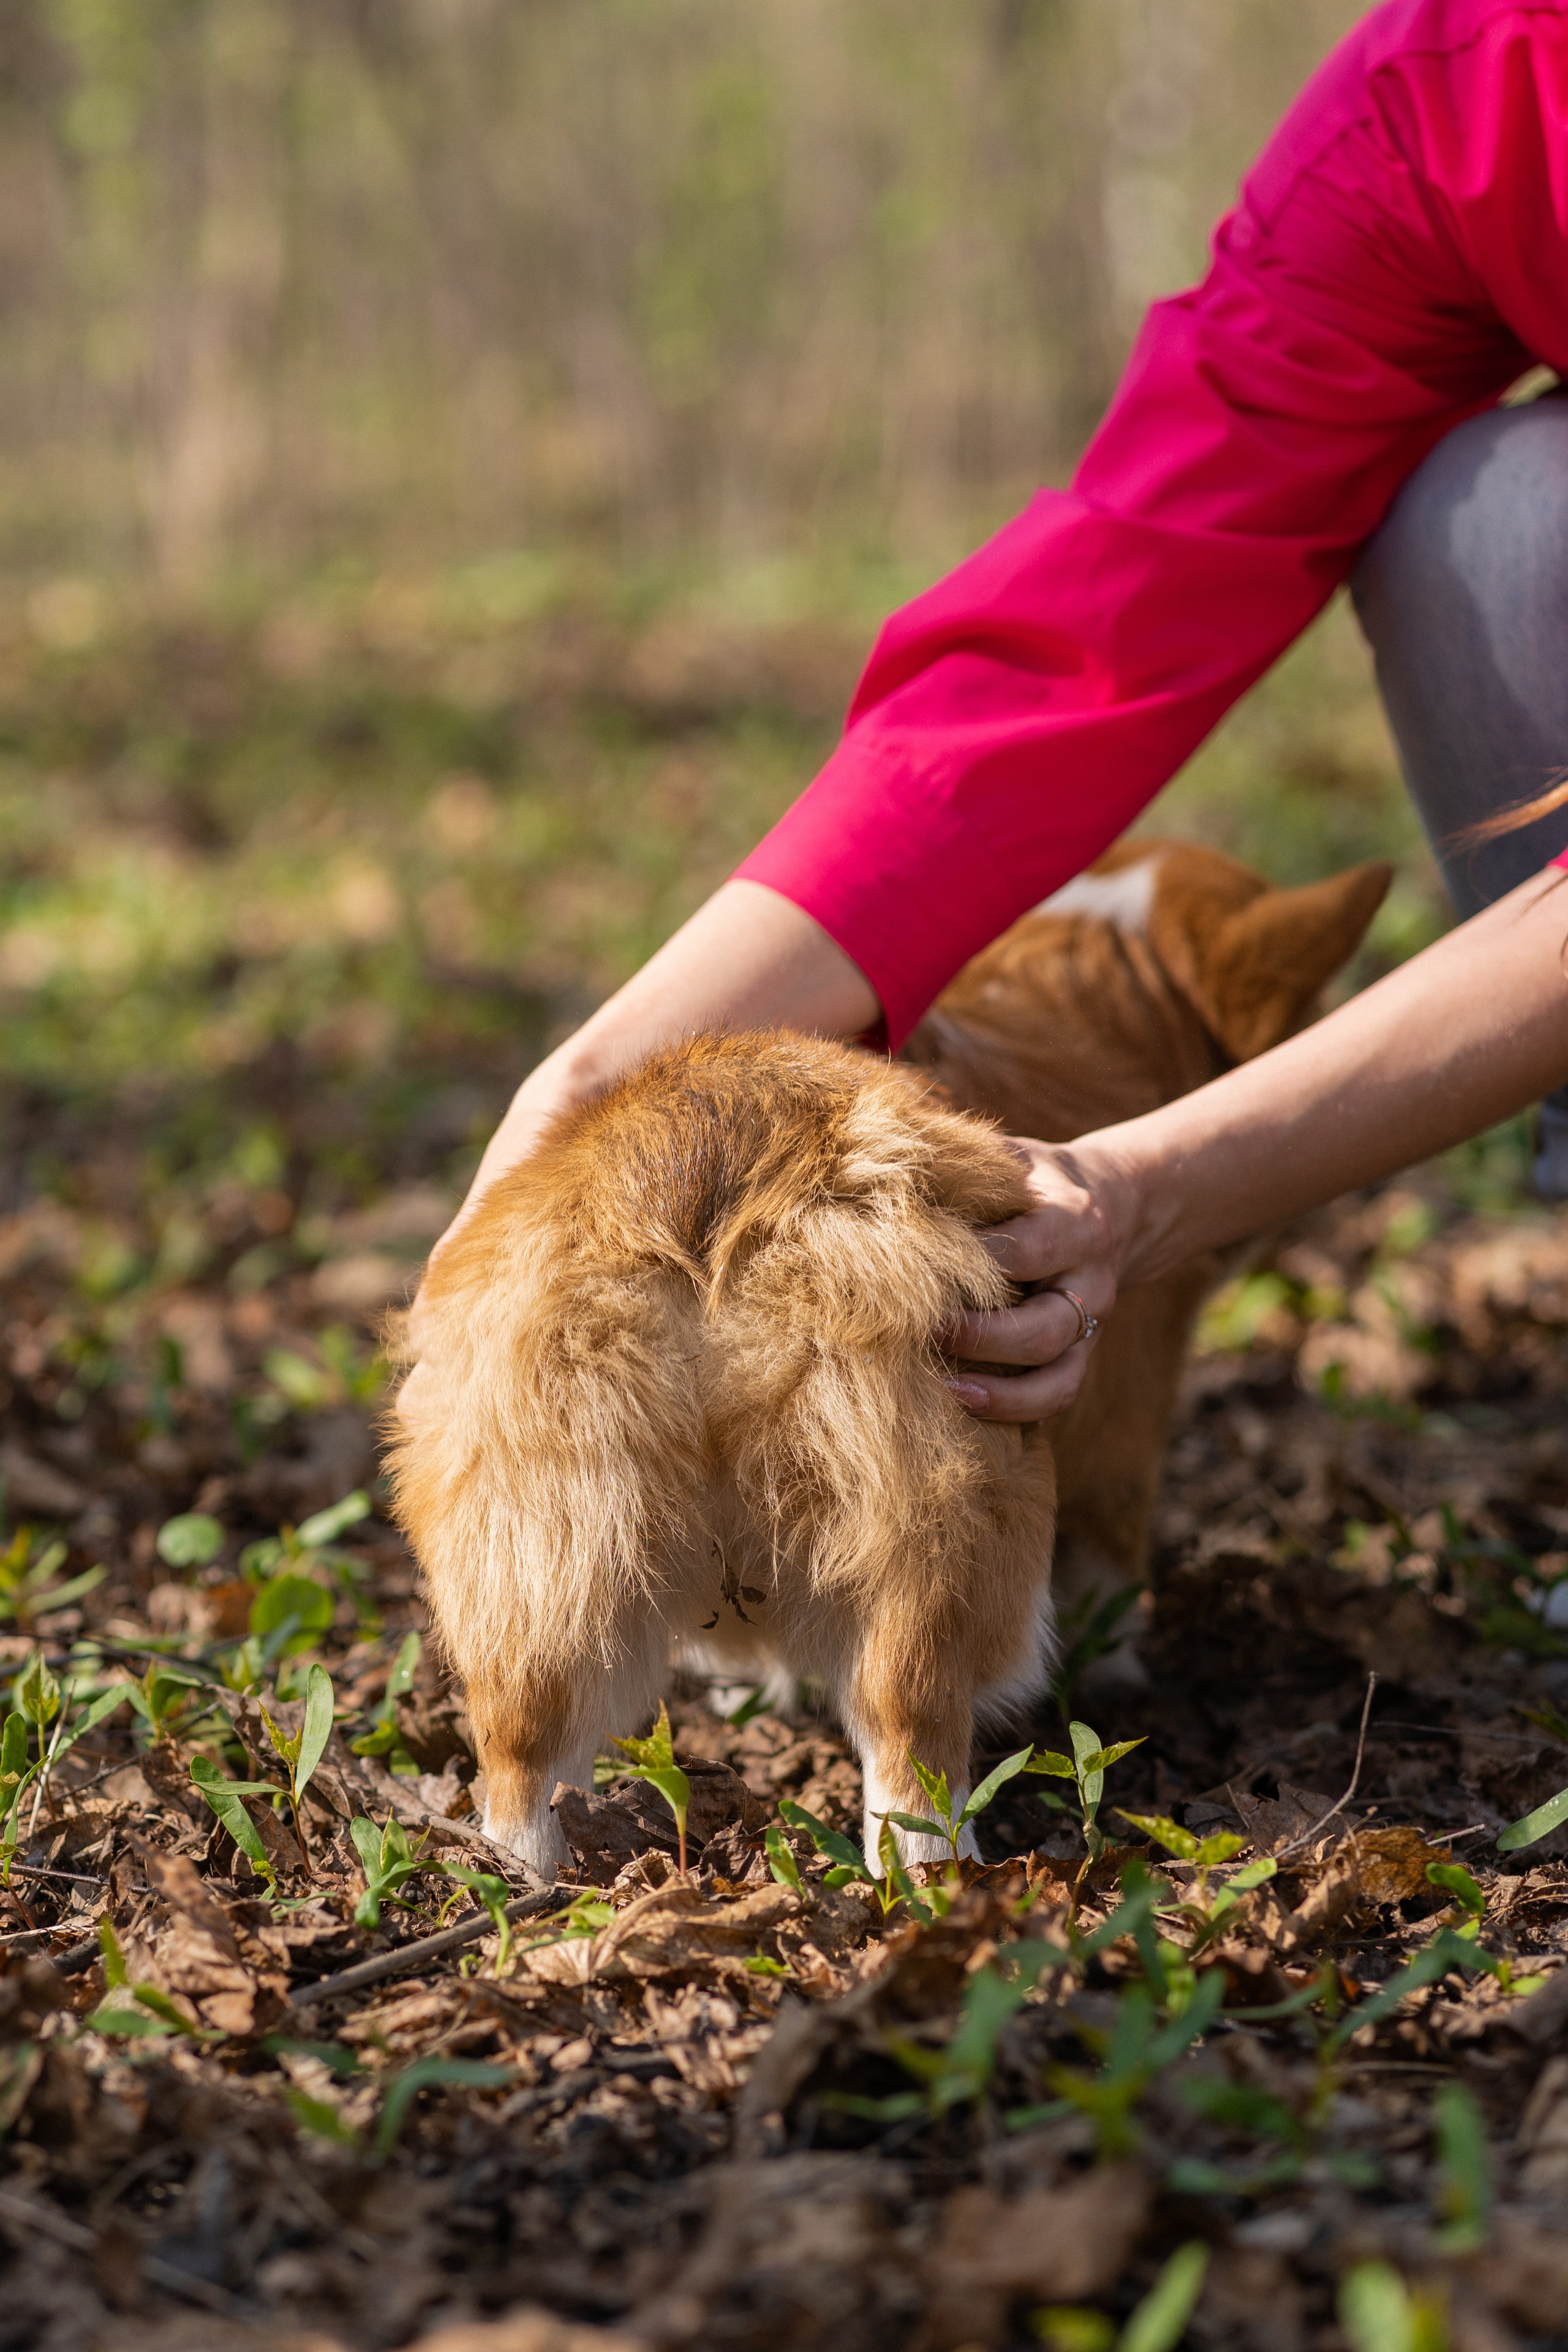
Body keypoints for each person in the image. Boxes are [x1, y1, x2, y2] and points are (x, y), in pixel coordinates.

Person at [409, 0, 1568, 1423]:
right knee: (1502, 520)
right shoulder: (1463, 84)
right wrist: (600, 1072)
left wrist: (1151, 1185)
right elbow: (1102, 610)